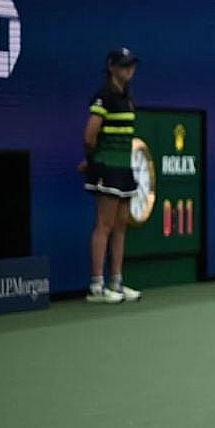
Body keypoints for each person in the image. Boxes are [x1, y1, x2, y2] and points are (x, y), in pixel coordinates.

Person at [79, 48, 144, 304]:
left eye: (132, 65)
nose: (129, 70)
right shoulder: (103, 98)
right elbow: (89, 136)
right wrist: (93, 162)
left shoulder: (127, 98)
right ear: (111, 67)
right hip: (106, 167)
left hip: (124, 168)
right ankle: (97, 286)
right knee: (104, 226)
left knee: (120, 226)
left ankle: (116, 282)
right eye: (124, 65)